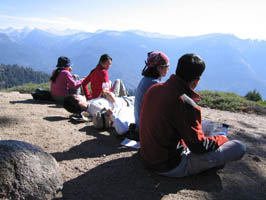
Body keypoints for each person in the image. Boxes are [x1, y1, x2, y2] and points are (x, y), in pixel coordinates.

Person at [139, 53, 246, 177]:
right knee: (239, 147)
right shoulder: (186, 103)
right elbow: (198, 148)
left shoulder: (154, 88)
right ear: (197, 80)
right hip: (168, 165)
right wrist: (221, 138)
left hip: (146, 156)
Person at [63, 94, 135, 135]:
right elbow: (116, 111)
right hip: (127, 102)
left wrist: (102, 95)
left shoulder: (89, 106)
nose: (80, 95)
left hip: (125, 102)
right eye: (78, 95)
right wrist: (112, 98)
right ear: (78, 99)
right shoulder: (95, 108)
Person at [134, 51, 170, 128]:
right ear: (160, 67)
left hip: (139, 123)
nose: (168, 68)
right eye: (167, 66)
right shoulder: (155, 84)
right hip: (146, 128)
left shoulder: (146, 80)